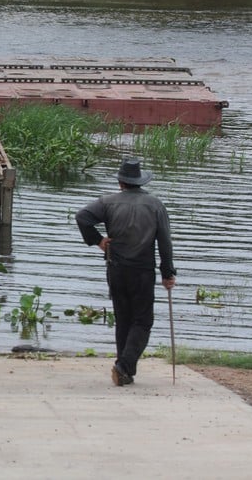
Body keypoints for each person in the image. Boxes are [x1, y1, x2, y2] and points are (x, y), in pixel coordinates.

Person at [76, 157, 176, 386]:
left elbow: (82, 217)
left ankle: (124, 371)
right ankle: (124, 366)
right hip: (142, 271)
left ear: (121, 183)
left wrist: (98, 240)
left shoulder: (107, 202)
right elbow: (165, 242)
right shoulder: (155, 205)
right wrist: (167, 272)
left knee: (123, 319)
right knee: (143, 321)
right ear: (140, 182)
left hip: (116, 269)